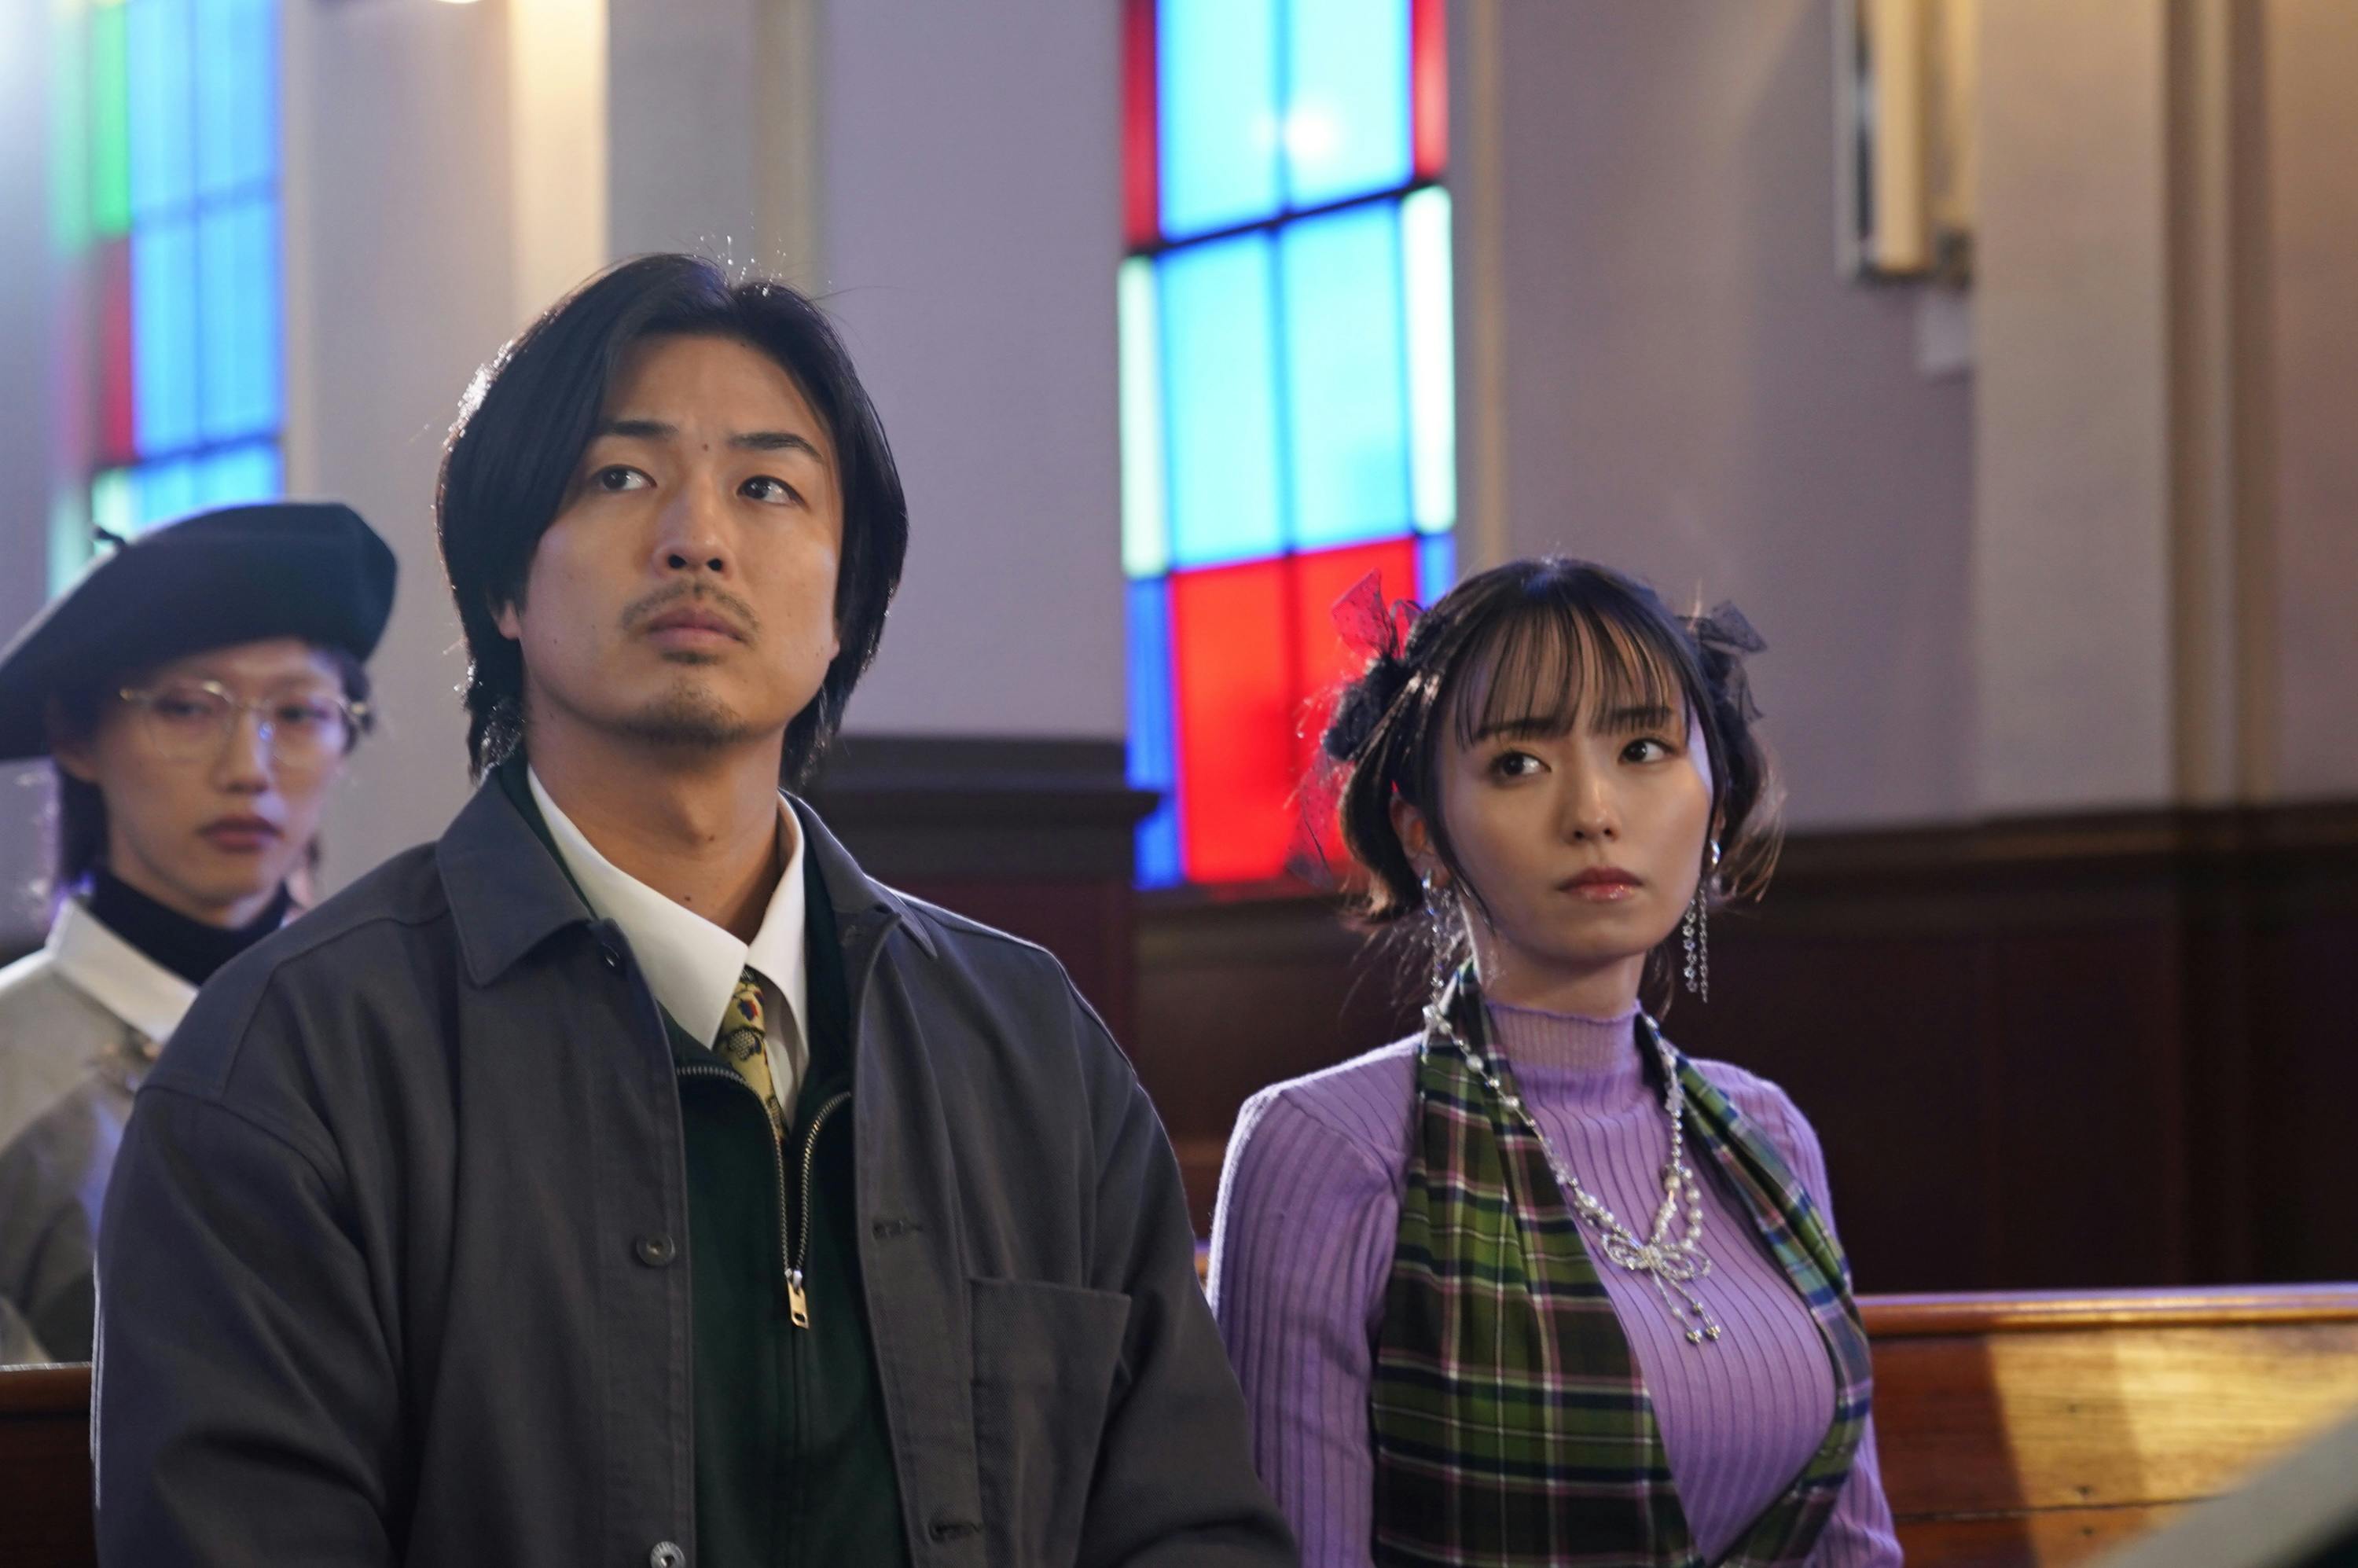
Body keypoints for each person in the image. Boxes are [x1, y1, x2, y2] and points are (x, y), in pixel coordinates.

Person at [94, 255, 1293, 1567]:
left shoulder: (1029, 1045)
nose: (698, 539)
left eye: (767, 488)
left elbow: (1189, 1528)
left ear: (844, 607)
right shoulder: (294, 1061)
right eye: (620, 477)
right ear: (503, 586)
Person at [1210, 558, 1901, 1566]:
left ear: (1714, 806)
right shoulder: (1329, 1149)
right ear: (1421, 833)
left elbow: (1852, 1548)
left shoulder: (1768, 1136)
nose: (1593, 811)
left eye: (1644, 748)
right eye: (1518, 765)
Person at [0, 502, 392, 1363]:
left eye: (299, 713)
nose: (249, 769)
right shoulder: (12, 1068)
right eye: (185, 708)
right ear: (76, 736)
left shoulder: (393, 1044)